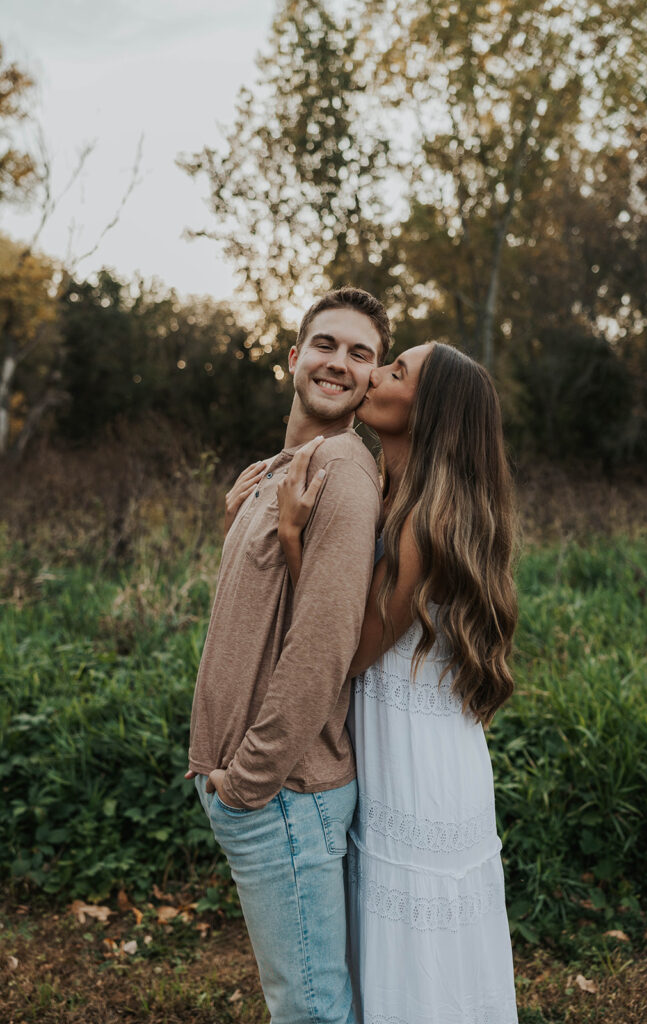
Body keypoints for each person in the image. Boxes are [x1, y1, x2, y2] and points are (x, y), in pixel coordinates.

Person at [277, 342, 519, 1024]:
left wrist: (293, 539)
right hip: (438, 746)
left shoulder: (419, 521)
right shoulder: (411, 497)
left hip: (416, 761)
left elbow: (347, 653)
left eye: (395, 370)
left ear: (429, 411)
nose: (374, 373)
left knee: (416, 949)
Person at [185, 286, 391, 1024]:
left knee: (309, 1011)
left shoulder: (341, 469)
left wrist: (248, 781)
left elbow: (325, 643)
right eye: (326, 344)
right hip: (270, 792)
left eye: (359, 353)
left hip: (285, 791)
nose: (339, 363)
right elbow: (260, 609)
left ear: (374, 377)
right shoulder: (280, 467)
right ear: (293, 357)